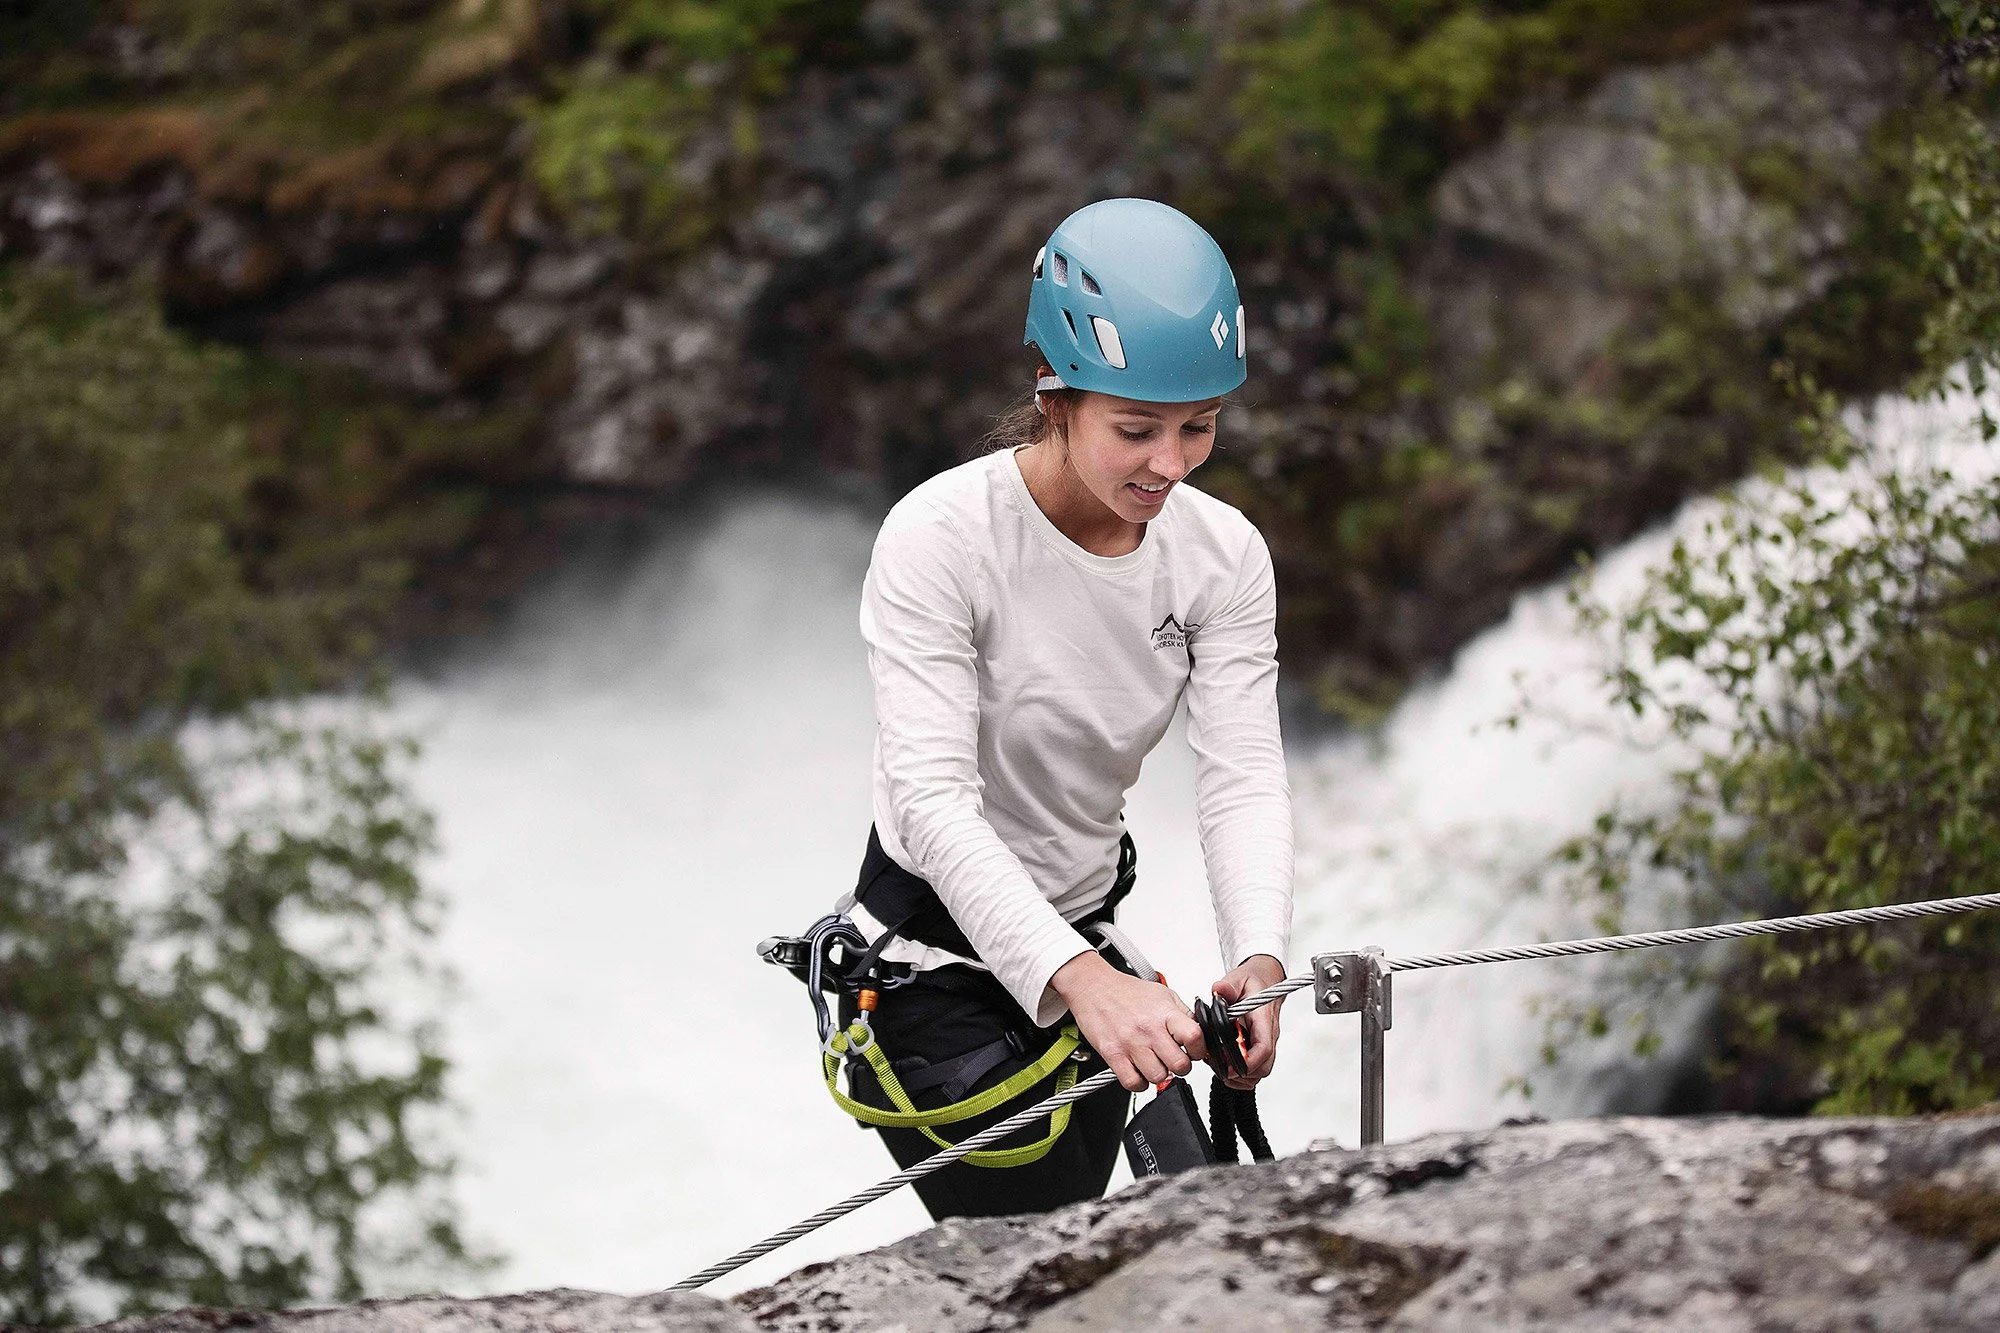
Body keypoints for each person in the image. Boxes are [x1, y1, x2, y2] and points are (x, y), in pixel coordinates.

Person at [838, 197, 1294, 1219]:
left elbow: (1240, 775)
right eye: (1135, 430)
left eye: (1199, 427)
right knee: (1043, 1241)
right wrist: (1083, 984)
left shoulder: (1221, 557)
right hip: (932, 961)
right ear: (1054, 398)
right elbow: (929, 801)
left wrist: (1257, 952)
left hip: (1086, 925)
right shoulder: (943, 537)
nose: (1169, 464)